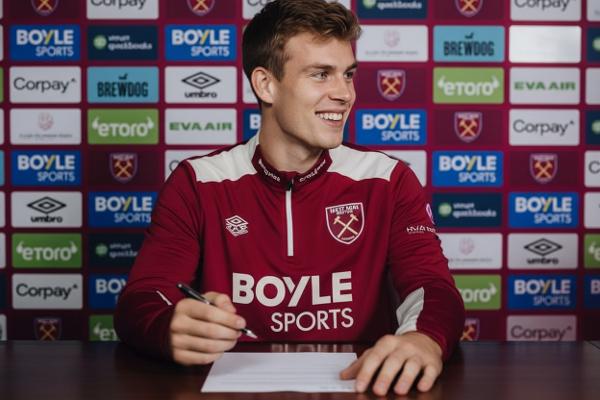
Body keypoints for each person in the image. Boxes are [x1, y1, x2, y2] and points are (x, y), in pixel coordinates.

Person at [115, 0, 465, 396]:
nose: (344, 93)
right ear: (266, 85)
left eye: (348, 75)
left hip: (361, 387)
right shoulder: (198, 181)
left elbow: (431, 287)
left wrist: (424, 338)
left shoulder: (388, 179)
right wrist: (166, 327)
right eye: (321, 74)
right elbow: (143, 297)